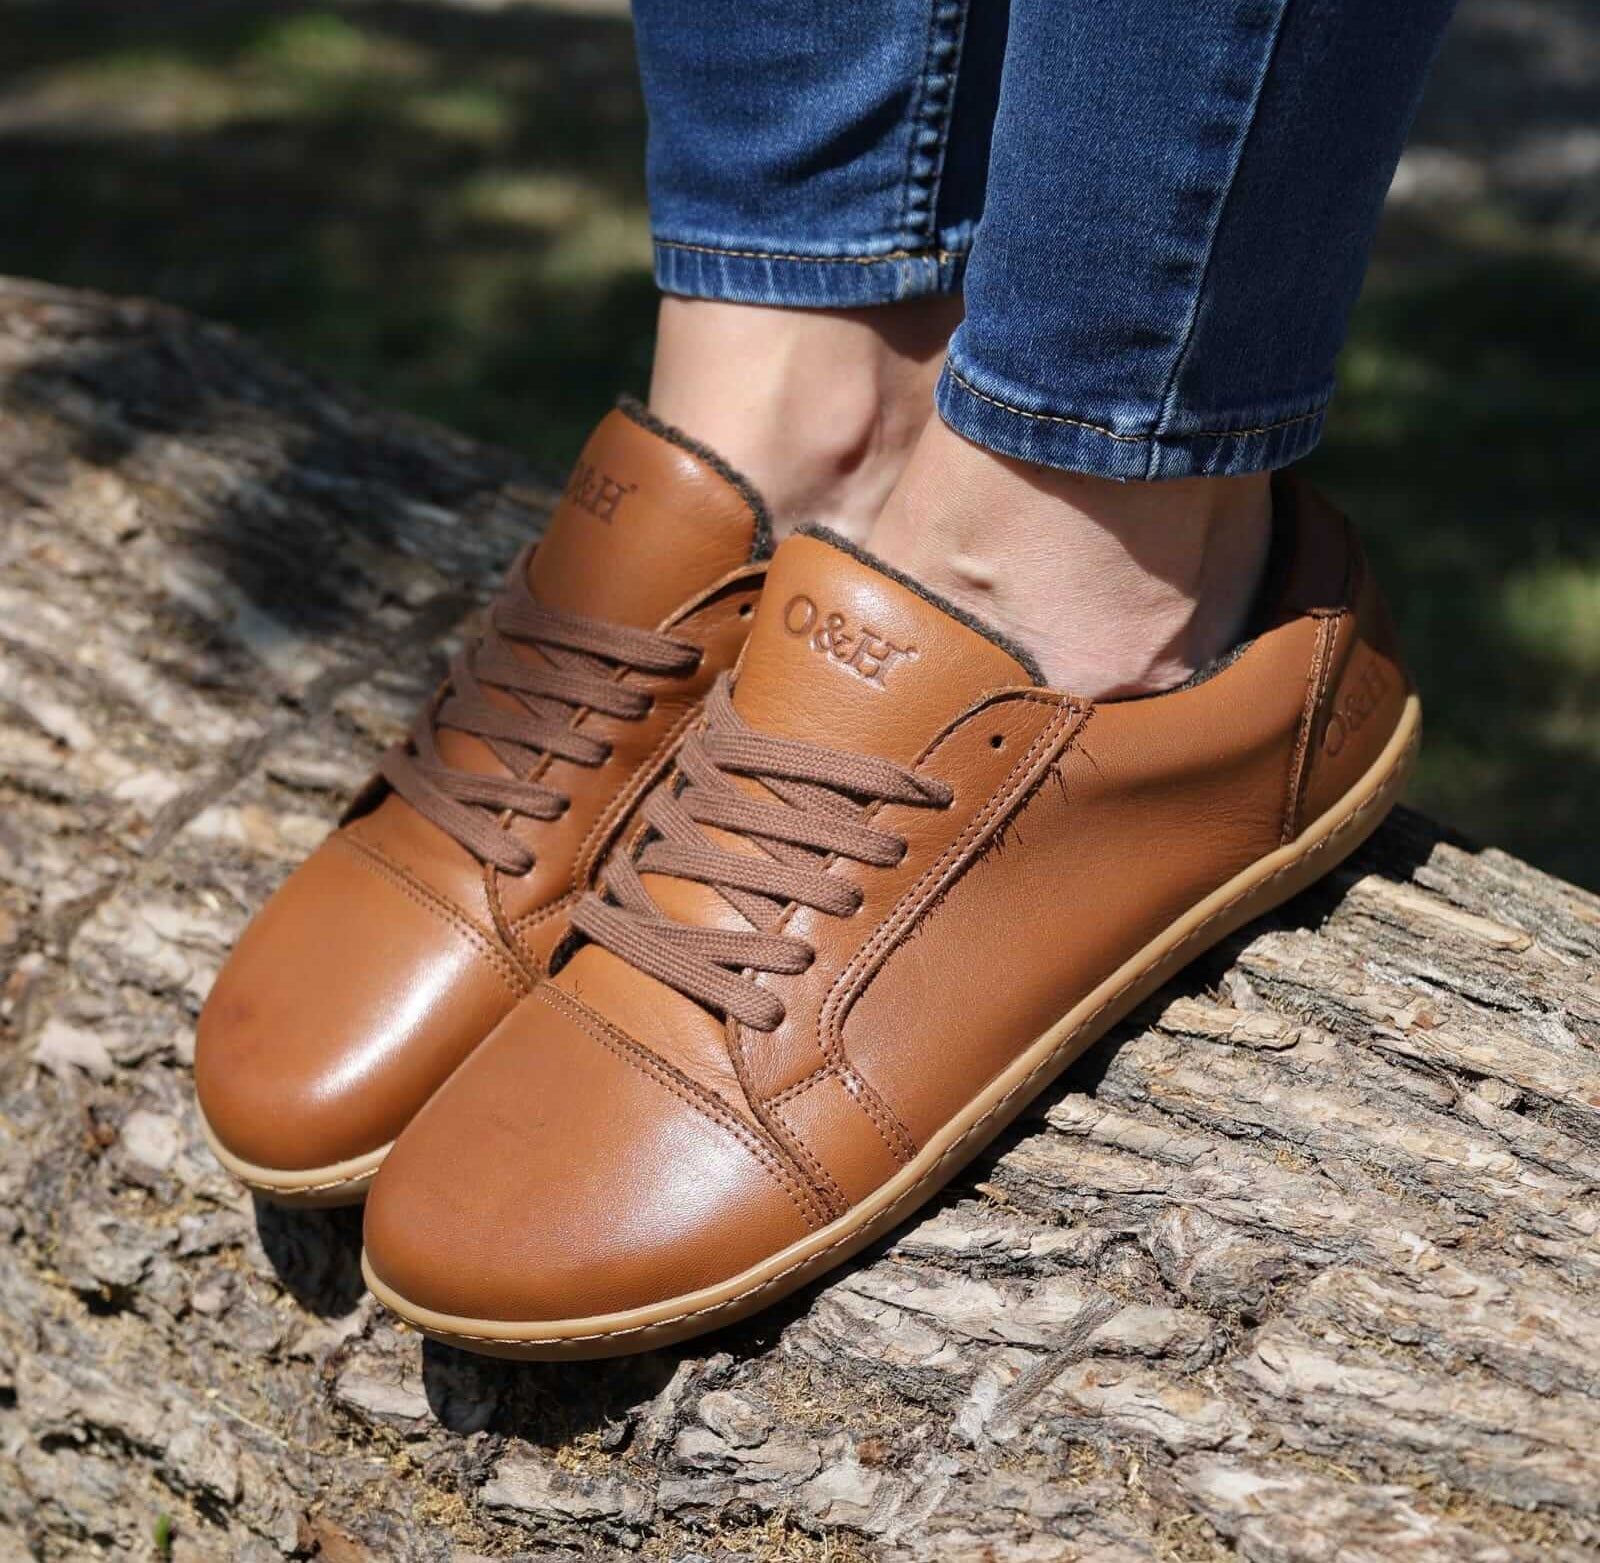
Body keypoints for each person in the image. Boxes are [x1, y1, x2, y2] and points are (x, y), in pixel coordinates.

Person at [196, 0, 1449, 1351]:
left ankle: (1101, 552)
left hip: (1125, 576)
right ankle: (808, 393)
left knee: (1092, 475)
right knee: (782, 349)